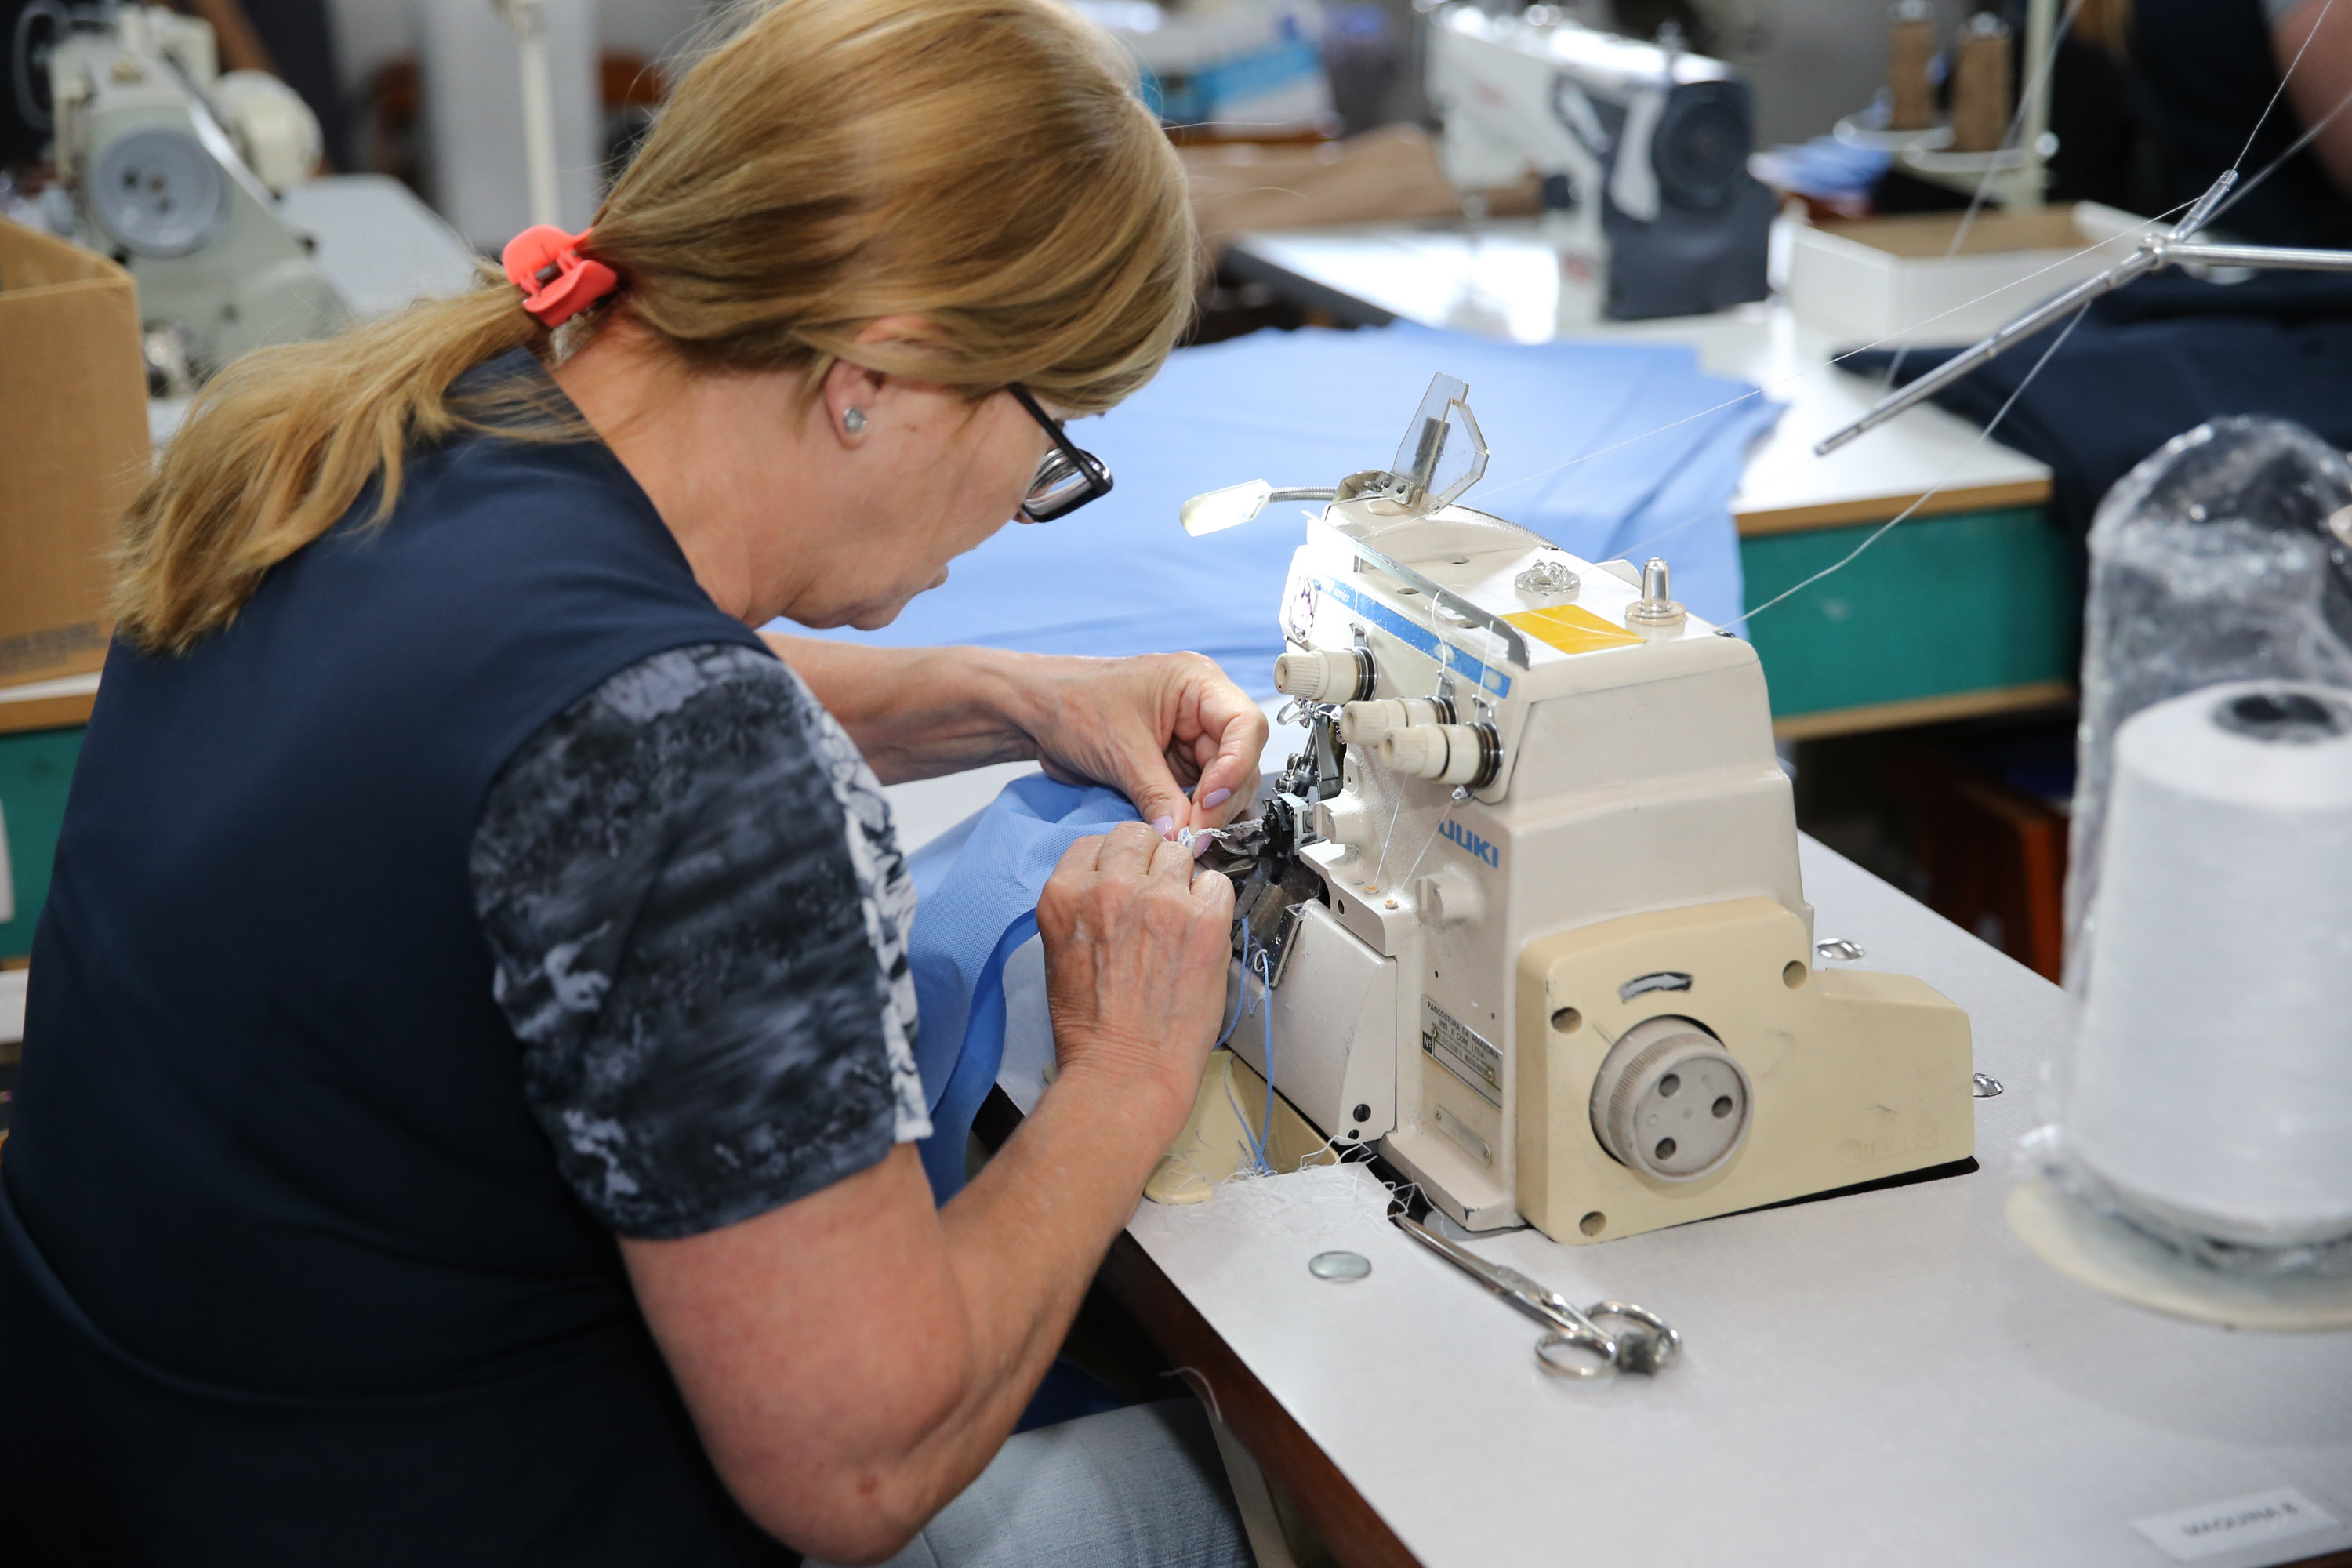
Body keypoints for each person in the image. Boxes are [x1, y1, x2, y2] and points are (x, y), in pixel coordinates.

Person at [0, 1, 1272, 1563]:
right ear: (881, 371)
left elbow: (498, 727)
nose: (1028, 502)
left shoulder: (361, 441)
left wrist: (1008, 698)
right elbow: (861, 1469)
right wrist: (1127, 1074)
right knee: (1251, 1505)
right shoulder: (691, 761)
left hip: (137, 1471)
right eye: (1057, 430)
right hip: (447, 1511)